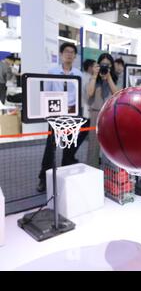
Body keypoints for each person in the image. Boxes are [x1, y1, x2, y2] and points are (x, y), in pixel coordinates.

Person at [37, 43, 83, 192]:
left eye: (72, 52)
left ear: (75, 56)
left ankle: (65, 177)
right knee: (51, 147)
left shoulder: (78, 73)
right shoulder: (52, 71)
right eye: (67, 51)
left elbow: (78, 95)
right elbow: (46, 93)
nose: (69, 54)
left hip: (71, 114)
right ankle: (44, 179)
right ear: (62, 54)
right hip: (56, 114)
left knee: (69, 147)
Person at [87, 53, 119, 167]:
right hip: (96, 113)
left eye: (108, 65)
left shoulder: (115, 78)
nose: (105, 67)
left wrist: (109, 77)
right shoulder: (93, 77)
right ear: (98, 65)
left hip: (110, 115)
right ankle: (92, 170)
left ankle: (110, 174)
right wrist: (95, 76)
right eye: (103, 64)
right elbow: (89, 93)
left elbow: (117, 94)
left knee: (111, 146)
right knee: (93, 147)